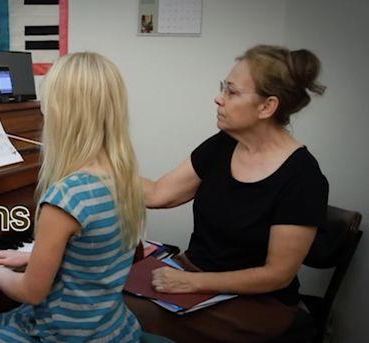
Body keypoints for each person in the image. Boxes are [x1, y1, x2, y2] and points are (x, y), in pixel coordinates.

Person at [137, 45, 329, 343]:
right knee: (102, 298)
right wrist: (102, 168)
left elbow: (276, 275)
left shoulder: (303, 178)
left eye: (232, 92)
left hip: (256, 303)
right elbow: (159, 194)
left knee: (124, 316)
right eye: (222, 88)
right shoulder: (223, 144)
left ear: (267, 107)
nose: (218, 98)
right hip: (193, 277)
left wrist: (193, 283)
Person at [0, 52, 146, 342]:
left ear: (60, 113)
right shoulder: (123, 176)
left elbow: (32, 292)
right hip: (113, 329)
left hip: (64, 335)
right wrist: (35, 257)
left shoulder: (66, 197)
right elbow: (91, 257)